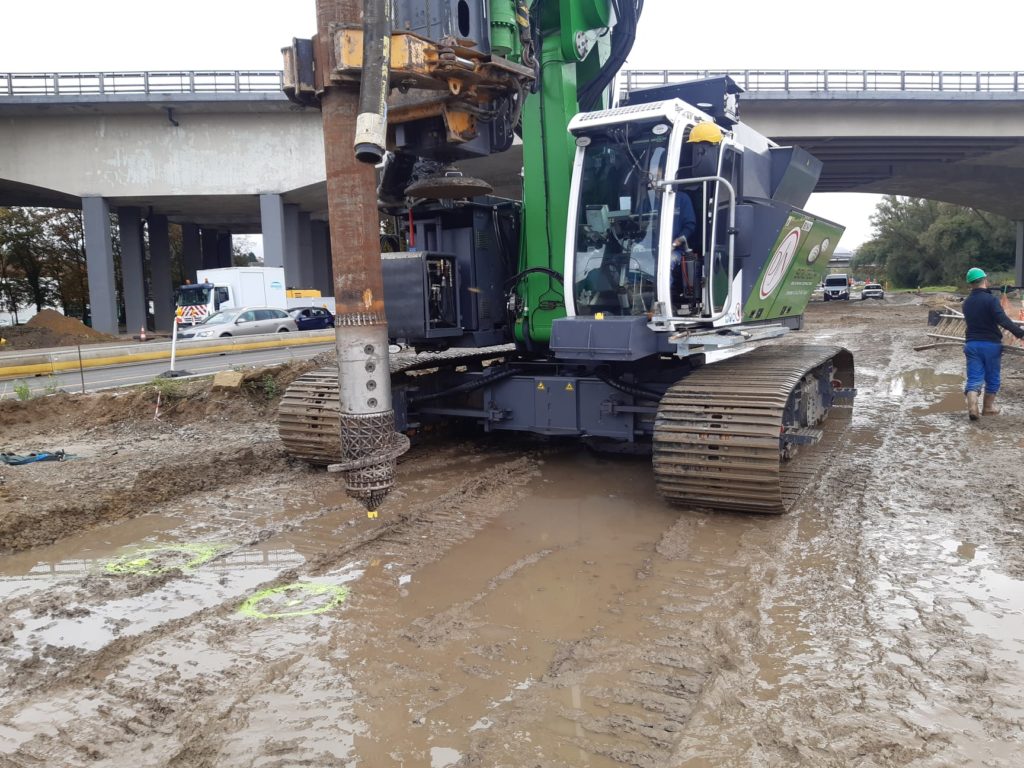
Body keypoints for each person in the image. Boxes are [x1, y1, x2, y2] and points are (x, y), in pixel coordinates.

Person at [961, 267, 1024, 420]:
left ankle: (972, 408)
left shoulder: (966, 303)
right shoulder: (991, 300)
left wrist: (1002, 292)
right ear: (985, 280)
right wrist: (1021, 334)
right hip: (990, 345)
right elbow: (1003, 321)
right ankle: (988, 408)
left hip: (972, 345)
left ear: (970, 284)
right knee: (992, 378)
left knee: (974, 378)